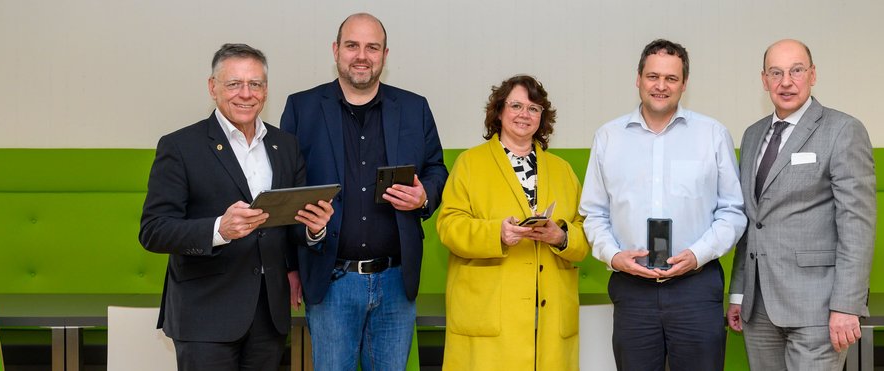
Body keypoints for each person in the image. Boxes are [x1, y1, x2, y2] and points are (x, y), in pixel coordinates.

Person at [139, 43, 334, 370]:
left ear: (266, 90)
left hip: (269, 316)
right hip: (204, 316)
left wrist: (315, 228)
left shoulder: (285, 145)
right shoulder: (179, 147)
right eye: (234, 84)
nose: (246, 93)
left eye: (255, 84)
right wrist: (218, 230)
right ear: (212, 87)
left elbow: (291, 225)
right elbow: (154, 230)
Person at [279, 12, 448, 371]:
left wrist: (425, 197)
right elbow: (286, 190)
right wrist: (290, 267)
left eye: (372, 47)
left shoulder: (415, 108)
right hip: (330, 280)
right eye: (352, 45)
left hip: (396, 283)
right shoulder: (301, 108)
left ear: (385, 55)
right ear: (336, 50)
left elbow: (436, 169)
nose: (362, 55)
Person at [579, 39, 747, 371]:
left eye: (671, 78)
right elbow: (593, 213)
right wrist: (613, 255)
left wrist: (697, 254)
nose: (661, 86)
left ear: (684, 84)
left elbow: (732, 211)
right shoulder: (608, 138)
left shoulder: (713, 135)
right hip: (632, 291)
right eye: (653, 76)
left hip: (696, 289)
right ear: (638, 79)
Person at [726, 39, 876, 371]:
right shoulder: (752, 136)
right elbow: (752, 221)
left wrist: (847, 306)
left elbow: (857, 227)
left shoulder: (843, 130)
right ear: (764, 80)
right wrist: (738, 293)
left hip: (819, 309)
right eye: (776, 73)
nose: (786, 82)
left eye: (796, 70)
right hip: (759, 307)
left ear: (812, 74)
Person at [437, 75, 589, 370]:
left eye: (534, 108)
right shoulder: (469, 164)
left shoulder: (563, 170)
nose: (524, 114)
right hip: (491, 319)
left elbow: (586, 232)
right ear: (499, 111)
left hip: (548, 319)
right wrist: (498, 233)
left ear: (543, 118)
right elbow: (449, 226)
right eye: (516, 105)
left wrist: (561, 237)